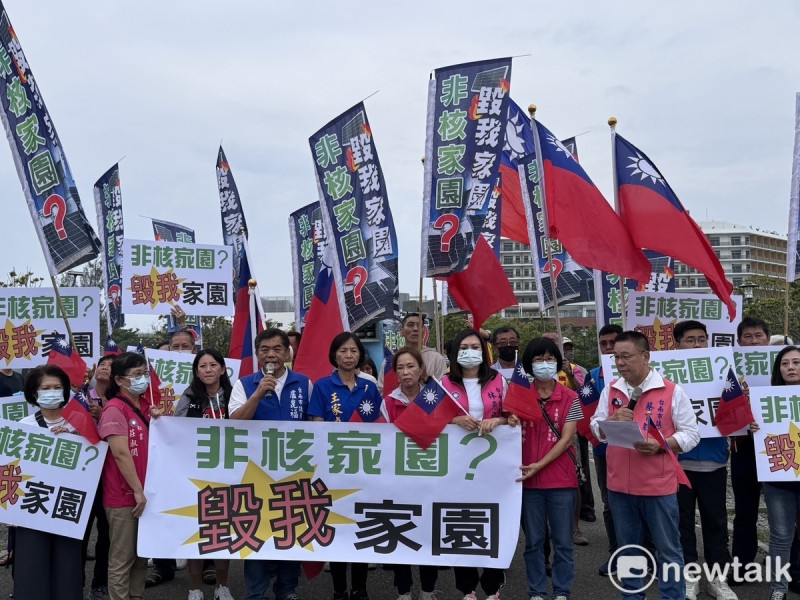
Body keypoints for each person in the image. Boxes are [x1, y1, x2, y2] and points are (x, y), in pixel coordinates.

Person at [590, 331, 700, 600]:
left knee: (668, 549)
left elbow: (692, 434)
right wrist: (610, 423)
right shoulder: (611, 389)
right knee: (628, 550)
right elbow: (595, 426)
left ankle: (673, 596)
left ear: (645, 356)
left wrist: (663, 445)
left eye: (626, 356)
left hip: (657, 487)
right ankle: (632, 596)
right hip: (619, 487)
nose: (620, 362)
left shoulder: (672, 391)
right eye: (616, 357)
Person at [230, 329, 311, 600]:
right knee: (255, 532)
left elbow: (316, 428)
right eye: (265, 349)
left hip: (294, 472)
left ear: (288, 354)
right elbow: (234, 424)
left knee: (291, 531)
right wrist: (258, 394)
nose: (272, 354)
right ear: (257, 353)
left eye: (278, 349)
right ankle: (256, 592)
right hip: (254, 473)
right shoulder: (244, 384)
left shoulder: (304, 383)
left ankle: (287, 589)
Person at [309, 332, 383, 600]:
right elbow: (317, 424)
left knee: (361, 526)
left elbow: (379, 428)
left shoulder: (369, 387)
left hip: (363, 467)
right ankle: (339, 589)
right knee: (337, 528)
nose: (349, 356)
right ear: (334, 355)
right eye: (343, 351)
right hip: (333, 469)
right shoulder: (322, 387)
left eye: (353, 351)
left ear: (360, 355)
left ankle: (360, 588)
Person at [513, 337, 582, 600]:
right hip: (527, 482)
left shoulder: (570, 397)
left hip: (561, 481)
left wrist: (539, 465)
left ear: (558, 362)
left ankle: (562, 591)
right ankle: (537, 591)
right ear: (529, 364)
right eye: (538, 359)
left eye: (550, 358)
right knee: (533, 543)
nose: (545, 364)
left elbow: (567, 439)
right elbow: (509, 431)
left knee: (563, 542)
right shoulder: (518, 395)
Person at [673, 320, 737, 600]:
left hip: (713, 462)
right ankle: (689, 577)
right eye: (690, 340)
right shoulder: (667, 377)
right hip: (678, 463)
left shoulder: (723, 372)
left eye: (701, 339)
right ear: (677, 344)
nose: (697, 344)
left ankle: (717, 580)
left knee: (715, 522)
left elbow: (738, 413)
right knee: (682, 523)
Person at [443, 329, 508, 600]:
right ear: (456, 353)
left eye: (475, 346)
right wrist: (455, 420)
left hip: (493, 468)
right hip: (456, 470)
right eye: (464, 347)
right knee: (461, 522)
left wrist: (500, 421)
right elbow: (424, 421)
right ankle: (467, 587)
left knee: (493, 522)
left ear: (484, 352)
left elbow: (515, 416)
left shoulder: (499, 381)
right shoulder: (441, 383)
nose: (470, 351)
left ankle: (493, 585)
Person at [13, 365, 85, 600]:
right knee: (31, 571)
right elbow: (11, 468)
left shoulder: (80, 424)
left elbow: (93, 462)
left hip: (68, 507)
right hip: (32, 508)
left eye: (58, 387)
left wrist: (78, 440)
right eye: (46, 388)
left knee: (68, 571)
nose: (52, 392)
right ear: (35, 393)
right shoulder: (23, 426)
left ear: (65, 391)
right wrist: (10, 511)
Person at [98, 352, 163, 600]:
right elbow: (121, 454)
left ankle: (135, 596)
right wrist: (137, 490)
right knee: (122, 558)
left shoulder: (146, 405)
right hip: (125, 496)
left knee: (141, 555)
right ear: (119, 380)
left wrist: (158, 419)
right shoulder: (114, 410)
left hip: (147, 493)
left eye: (144, 373)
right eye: (136, 375)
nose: (143, 379)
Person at [174, 349, 235, 600]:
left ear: (222, 369)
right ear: (196, 372)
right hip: (196, 475)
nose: (208, 370)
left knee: (223, 533)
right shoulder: (189, 397)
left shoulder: (235, 395)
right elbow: (175, 430)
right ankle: (195, 588)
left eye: (213, 365)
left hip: (231, 473)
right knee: (197, 533)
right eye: (202, 366)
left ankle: (222, 586)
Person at [379, 347, 439, 600]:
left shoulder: (436, 398)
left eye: (411, 366)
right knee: (400, 534)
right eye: (400, 368)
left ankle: (428, 589)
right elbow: (380, 438)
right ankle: (403, 590)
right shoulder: (388, 402)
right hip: (399, 481)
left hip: (430, 480)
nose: (406, 372)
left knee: (428, 535)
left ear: (421, 369)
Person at [542, 332, 593, 541]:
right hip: (541, 433)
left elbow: (584, 396)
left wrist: (569, 375)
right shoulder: (533, 369)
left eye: (559, 343)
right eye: (551, 342)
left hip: (570, 432)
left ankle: (574, 528)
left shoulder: (576, 370)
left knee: (574, 479)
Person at [731, 316, 770, 572]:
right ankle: (742, 564)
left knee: (785, 511)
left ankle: (791, 567)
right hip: (743, 446)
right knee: (745, 510)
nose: (754, 340)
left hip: (778, 446)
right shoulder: (730, 370)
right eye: (748, 336)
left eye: (759, 336)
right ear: (739, 341)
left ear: (768, 338)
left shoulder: (785, 365)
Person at [763, 345, 800, 600]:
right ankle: (779, 589)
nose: (791, 368)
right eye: (785, 364)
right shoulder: (766, 400)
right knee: (780, 536)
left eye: (796, 362)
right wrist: (754, 426)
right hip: (779, 478)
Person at [587, 323, 622, 576]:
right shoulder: (594, 375)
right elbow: (588, 413)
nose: (609, 348)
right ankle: (616, 554)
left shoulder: (646, 374)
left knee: (643, 503)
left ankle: (648, 552)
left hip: (638, 450)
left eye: (614, 343)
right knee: (610, 504)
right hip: (604, 450)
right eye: (604, 344)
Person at [84, 354, 115, 600]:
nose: (105, 368)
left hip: (110, 474)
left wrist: (103, 414)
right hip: (83, 473)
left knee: (106, 533)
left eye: (111, 366)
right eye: (102, 364)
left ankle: (100, 583)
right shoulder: (80, 394)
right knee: (80, 532)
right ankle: (73, 581)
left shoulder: (119, 400)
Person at [380, 314, 447, 390]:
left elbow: (443, 390)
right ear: (401, 331)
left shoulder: (436, 359)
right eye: (410, 325)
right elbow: (382, 390)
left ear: (424, 331)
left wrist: (426, 379)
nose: (415, 329)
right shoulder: (390, 361)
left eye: (419, 325)